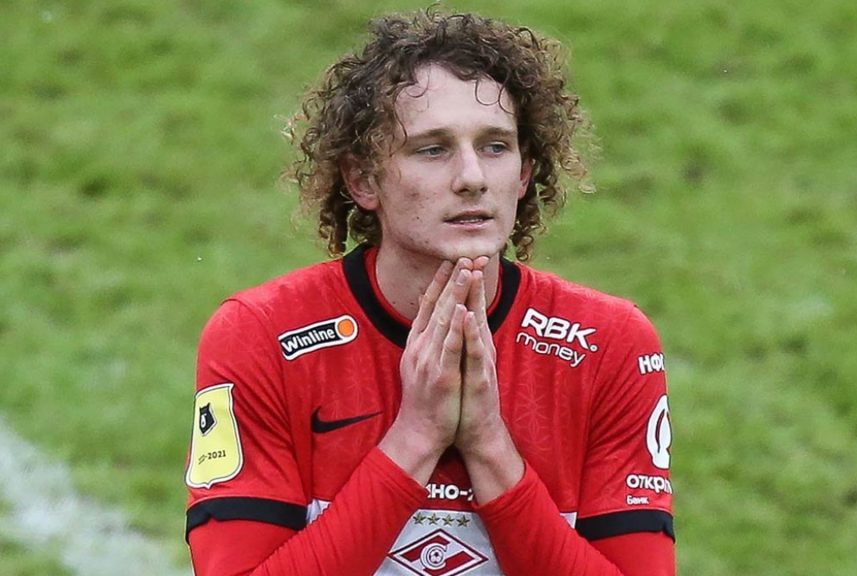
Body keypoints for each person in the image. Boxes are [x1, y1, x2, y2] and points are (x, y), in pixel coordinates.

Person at [183, 9, 674, 575]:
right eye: (433, 149)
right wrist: (416, 436)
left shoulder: (607, 344)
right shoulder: (262, 334)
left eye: (495, 146)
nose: (472, 177)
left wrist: (488, 445)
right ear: (362, 179)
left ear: (523, 174)